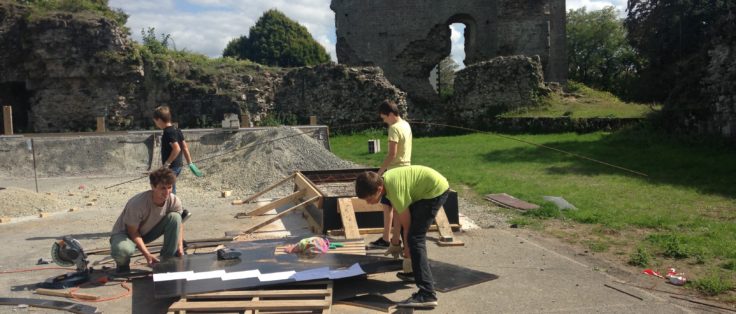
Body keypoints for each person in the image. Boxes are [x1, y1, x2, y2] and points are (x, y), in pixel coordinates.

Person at [355, 166, 449, 308]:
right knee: (411, 238)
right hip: (424, 189)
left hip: (433, 191)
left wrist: (407, 255)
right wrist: (395, 242)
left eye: (369, 199)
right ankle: (413, 273)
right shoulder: (386, 184)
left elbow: (407, 226)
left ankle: (427, 294)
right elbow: (399, 215)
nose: (368, 203)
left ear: (379, 190)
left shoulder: (395, 190)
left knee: (415, 239)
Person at [109, 168, 185, 273]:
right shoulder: (138, 203)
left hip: (146, 232)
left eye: (169, 187)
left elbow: (179, 223)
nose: (167, 192)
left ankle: (167, 259)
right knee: (123, 250)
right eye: (163, 188)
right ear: (153, 187)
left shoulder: (174, 200)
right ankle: (123, 265)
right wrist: (147, 255)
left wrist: (180, 246)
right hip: (126, 235)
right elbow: (133, 232)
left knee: (175, 217)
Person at [370, 100, 413, 248]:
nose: (384, 121)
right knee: (389, 205)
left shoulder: (394, 128)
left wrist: (379, 173)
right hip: (406, 169)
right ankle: (386, 238)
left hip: (395, 172)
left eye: (384, 118)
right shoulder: (406, 124)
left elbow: (392, 154)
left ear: (390, 114)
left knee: (395, 207)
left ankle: (394, 240)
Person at [153, 105, 194, 194]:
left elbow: (177, 148)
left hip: (172, 167)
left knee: (169, 189)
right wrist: (190, 163)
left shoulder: (168, 132)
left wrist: (167, 164)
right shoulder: (177, 129)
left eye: (155, 122)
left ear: (159, 120)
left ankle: (174, 206)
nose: (156, 124)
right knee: (169, 186)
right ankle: (172, 205)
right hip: (178, 166)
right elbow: (185, 147)